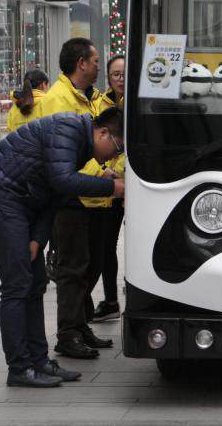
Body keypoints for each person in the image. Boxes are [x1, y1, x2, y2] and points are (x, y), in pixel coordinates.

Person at [0, 108, 125, 388]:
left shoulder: (79, 144)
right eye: (117, 147)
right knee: (17, 285)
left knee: (36, 282)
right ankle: (19, 367)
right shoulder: (69, 128)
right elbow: (64, 181)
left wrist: (38, 239)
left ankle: (39, 361)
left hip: (20, 204)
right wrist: (112, 187)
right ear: (103, 133)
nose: (114, 156)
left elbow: (55, 194)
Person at [40, 38, 114, 358]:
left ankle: (80, 324)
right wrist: (101, 173)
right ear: (81, 63)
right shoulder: (57, 99)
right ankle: (67, 333)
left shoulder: (94, 98)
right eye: (95, 60)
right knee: (71, 267)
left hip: (95, 196)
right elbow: (63, 154)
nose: (100, 65)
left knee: (90, 263)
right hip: (69, 195)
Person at [85, 55, 126, 323]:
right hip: (103, 185)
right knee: (103, 246)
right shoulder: (100, 103)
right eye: (115, 75)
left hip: (123, 183)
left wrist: (119, 172)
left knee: (115, 244)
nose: (121, 79)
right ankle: (110, 299)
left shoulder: (137, 103)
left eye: (124, 74)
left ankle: (115, 298)